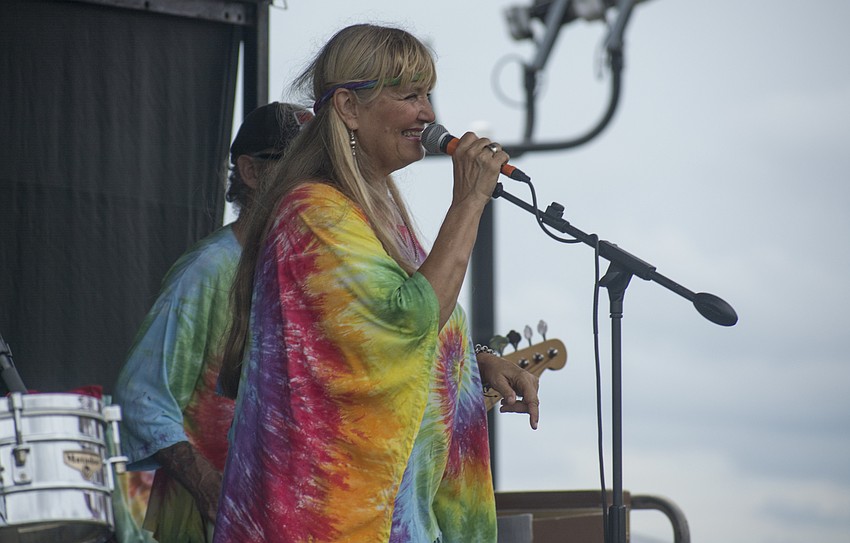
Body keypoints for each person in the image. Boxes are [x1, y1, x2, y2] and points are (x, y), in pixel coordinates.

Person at [214, 24, 540, 543]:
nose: (429, 113)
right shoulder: (312, 212)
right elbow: (406, 320)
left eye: (428, 95)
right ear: (347, 106)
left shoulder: (376, 215)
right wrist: (469, 200)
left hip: (393, 517)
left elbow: (379, 342)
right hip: (325, 521)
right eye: (410, 95)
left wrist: (476, 364)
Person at [112, 102, 313, 543]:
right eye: (303, 165)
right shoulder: (209, 269)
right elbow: (141, 397)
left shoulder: (318, 272)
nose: (318, 183)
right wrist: (210, 486)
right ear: (252, 172)